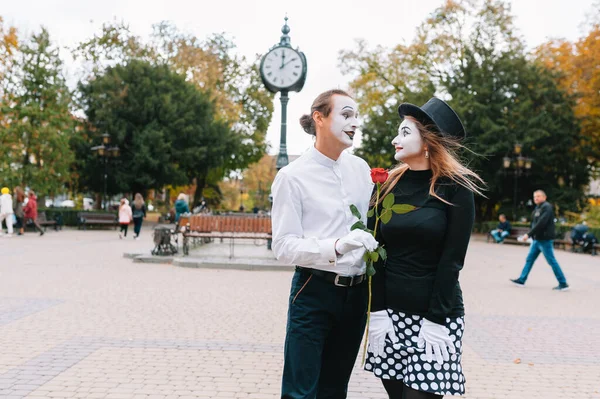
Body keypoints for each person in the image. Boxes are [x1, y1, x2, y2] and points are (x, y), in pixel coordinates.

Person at [365, 97, 485, 398]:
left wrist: (436, 320)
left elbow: (452, 262)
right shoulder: (386, 186)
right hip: (390, 317)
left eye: (405, 132)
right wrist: (376, 311)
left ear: (428, 140)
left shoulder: (457, 188)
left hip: (435, 318)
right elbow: (374, 253)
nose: (396, 139)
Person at [271, 89, 378, 399]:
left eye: (356, 116)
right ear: (319, 118)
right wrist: (335, 246)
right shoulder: (292, 176)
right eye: (346, 114)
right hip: (313, 291)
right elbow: (283, 246)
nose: (354, 122)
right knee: (301, 391)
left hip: (357, 295)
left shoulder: (361, 169)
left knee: (335, 389)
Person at [510, 190, 569, 290]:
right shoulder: (537, 208)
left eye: (538, 196)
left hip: (545, 240)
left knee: (551, 261)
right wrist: (531, 235)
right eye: (534, 197)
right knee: (529, 259)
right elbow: (534, 224)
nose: (536, 198)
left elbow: (541, 223)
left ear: (544, 197)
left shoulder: (547, 207)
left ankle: (563, 283)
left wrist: (528, 235)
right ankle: (522, 280)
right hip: (537, 240)